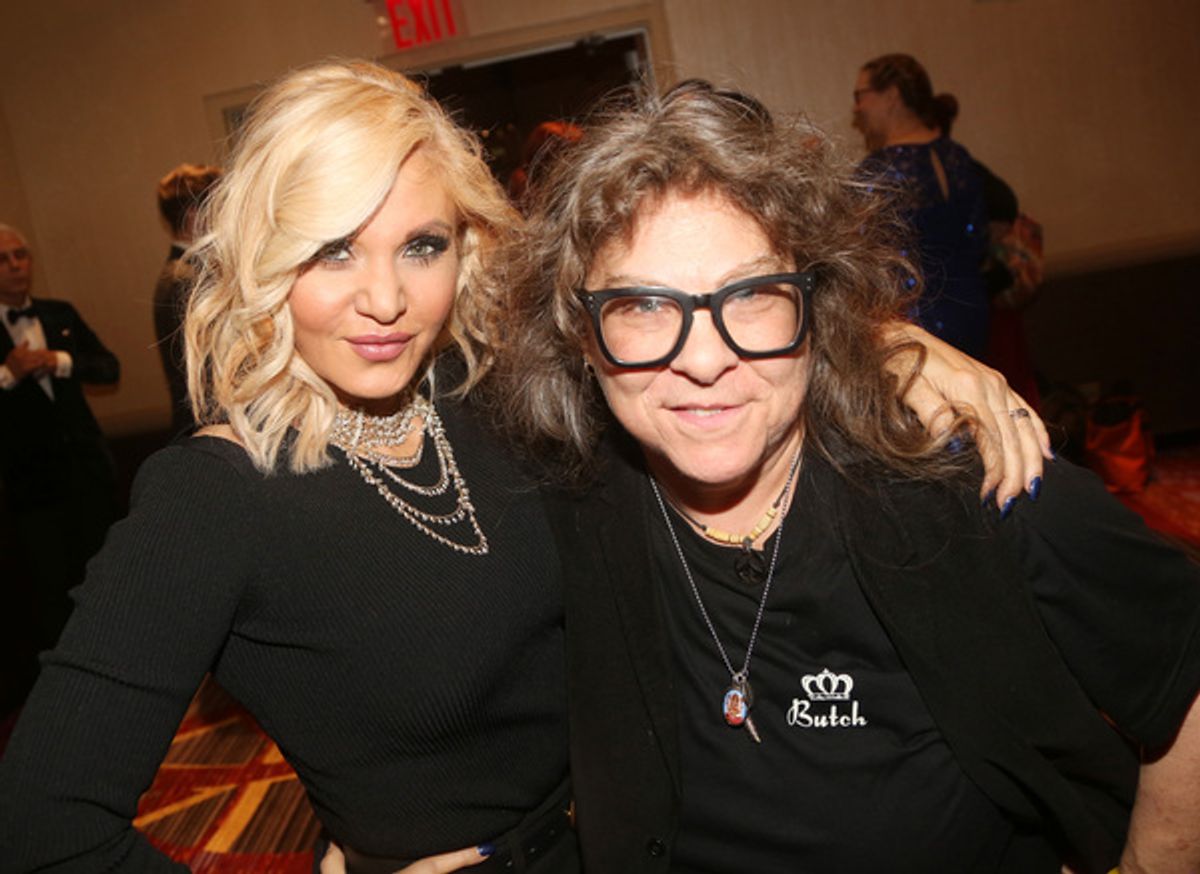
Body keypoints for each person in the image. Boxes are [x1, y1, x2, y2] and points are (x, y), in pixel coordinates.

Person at [0, 62, 1043, 874]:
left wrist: (894, 346)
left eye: (420, 245)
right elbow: (41, 822)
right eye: (331, 251)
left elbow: (694, 339)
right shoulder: (211, 499)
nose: (383, 299)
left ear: (467, 244)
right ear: (264, 263)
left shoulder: (494, 397)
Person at [493, 80, 1200, 873]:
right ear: (580, 334)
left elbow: (1182, 652)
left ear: (814, 303)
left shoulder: (959, 475)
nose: (701, 360)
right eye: (644, 307)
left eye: (753, 295)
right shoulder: (568, 495)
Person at [0, 224, 119, 656]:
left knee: (108, 583)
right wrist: (8, 374)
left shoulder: (59, 314)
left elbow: (109, 368)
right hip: (32, 489)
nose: (16, 266)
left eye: (21, 255)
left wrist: (61, 361)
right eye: (3, 259)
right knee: (53, 596)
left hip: (87, 474)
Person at [852, 53, 991, 358]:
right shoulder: (957, 156)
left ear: (891, 96)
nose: (857, 107)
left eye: (861, 95)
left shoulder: (880, 169)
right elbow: (979, 239)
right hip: (973, 308)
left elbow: (859, 257)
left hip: (918, 322)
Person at [153, 162, 222, 435]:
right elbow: (210, 375)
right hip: (210, 429)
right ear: (196, 214)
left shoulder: (185, 272)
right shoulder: (187, 279)